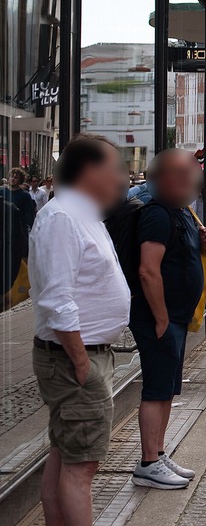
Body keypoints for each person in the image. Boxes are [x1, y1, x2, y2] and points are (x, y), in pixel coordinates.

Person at [29, 135, 131, 526]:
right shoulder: (62, 217)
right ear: (90, 171)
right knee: (82, 466)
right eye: (115, 168)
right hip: (75, 358)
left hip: (83, 355)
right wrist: (80, 362)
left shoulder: (83, 213)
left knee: (66, 455)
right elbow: (58, 298)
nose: (121, 178)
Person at [128, 150, 206, 489]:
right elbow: (148, 270)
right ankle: (149, 462)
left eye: (191, 174)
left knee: (166, 389)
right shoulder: (157, 215)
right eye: (181, 175)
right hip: (159, 319)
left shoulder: (181, 212)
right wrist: (162, 319)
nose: (190, 181)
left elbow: (183, 256)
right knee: (156, 389)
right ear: (162, 179)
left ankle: (158, 453)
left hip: (176, 319)